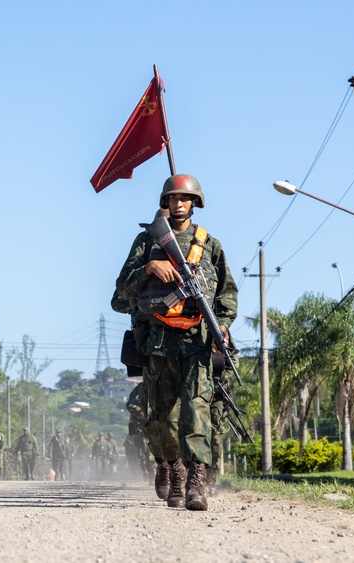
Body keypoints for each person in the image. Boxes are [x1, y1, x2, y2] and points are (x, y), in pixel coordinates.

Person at [114, 174, 238, 511]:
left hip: (196, 342)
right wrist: (149, 269)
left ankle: (195, 479)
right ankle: (171, 469)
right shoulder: (147, 242)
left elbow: (226, 295)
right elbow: (120, 293)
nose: (179, 203)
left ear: (195, 203)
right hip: (158, 341)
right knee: (162, 416)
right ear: (164, 203)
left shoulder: (210, 245)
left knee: (196, 408)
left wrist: (222, 327)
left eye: (185, 198)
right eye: (173, 198)